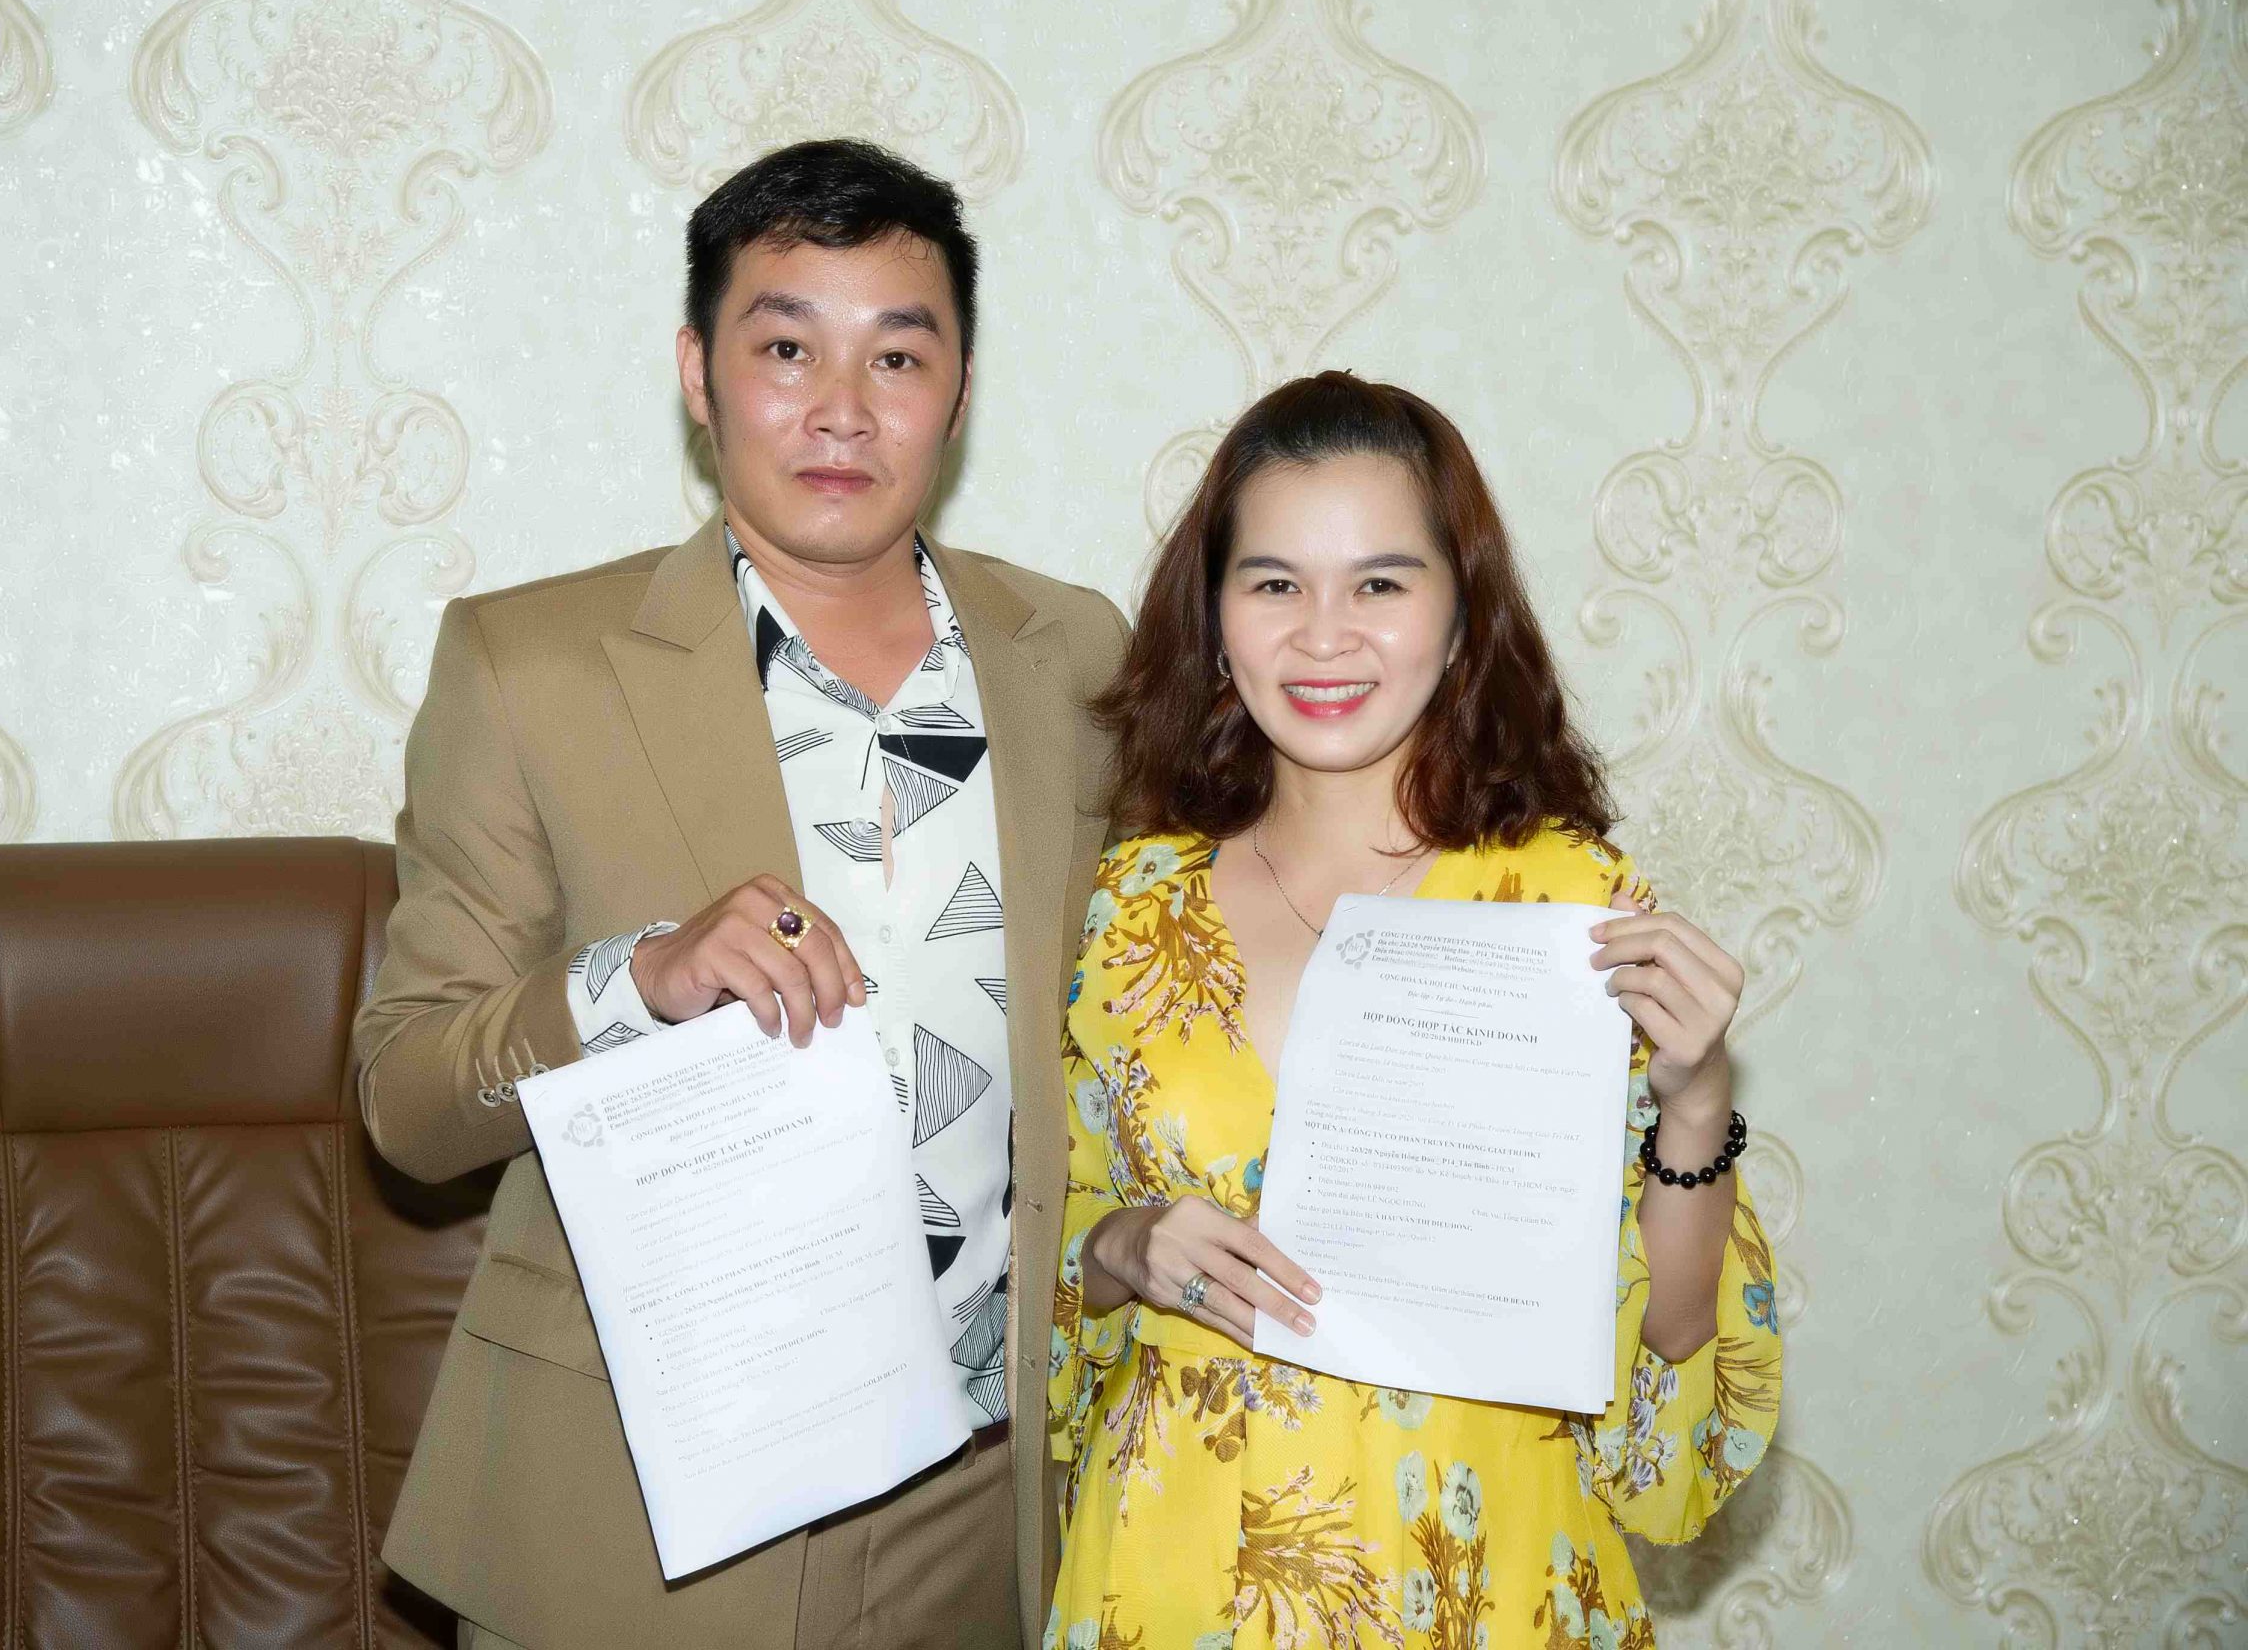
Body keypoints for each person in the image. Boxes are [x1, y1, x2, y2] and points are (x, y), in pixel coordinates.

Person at [355, 139, 1127, 1650]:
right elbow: (407, 1098)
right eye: (785, 348)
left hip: (988, 1498)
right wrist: (631, 982)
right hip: (647, 1511)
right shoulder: (527, 666)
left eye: (897, 355)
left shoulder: (1079, 655)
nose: (842, 408)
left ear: (958, 389)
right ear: (697, 375)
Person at [1046, 373, 1782, 1650]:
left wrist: (1696, 1100)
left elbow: (1669, 1350)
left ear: (1459, 620)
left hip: (1482, 1568)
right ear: (1214, 621)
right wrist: (1123, 1246)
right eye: (1274, 583)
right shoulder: (1127, 908)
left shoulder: (1570, 906)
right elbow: (1041, 1265)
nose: (1324, 636)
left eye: (1379, 583)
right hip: (1177, 1568)